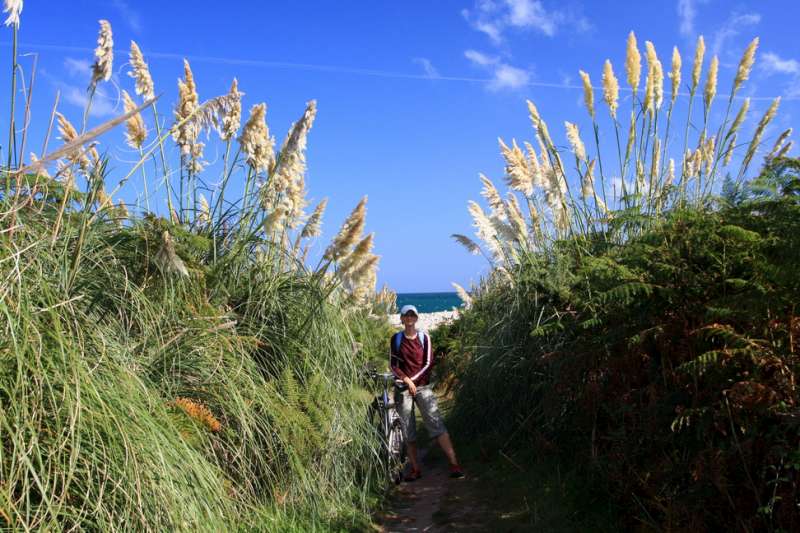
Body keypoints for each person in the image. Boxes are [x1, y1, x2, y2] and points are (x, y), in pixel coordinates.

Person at [389, 304, 464, 480]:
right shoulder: (396, 339)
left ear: (416, 318)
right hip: (403, 388)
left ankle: (454, 464)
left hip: (422, 387)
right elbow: (393, 365)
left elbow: (428, 364)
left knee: (436, 424)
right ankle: (415, 469)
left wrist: (413, 381)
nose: (409, 318)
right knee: (408, 431)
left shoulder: (424, 338)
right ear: (402, 319)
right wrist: (407, 381)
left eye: (412, 315)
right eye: (406, 315)